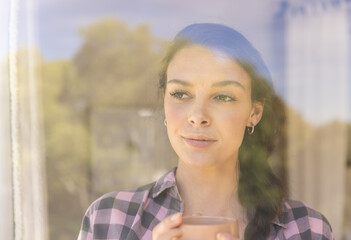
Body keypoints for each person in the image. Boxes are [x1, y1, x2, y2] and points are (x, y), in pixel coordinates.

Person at [77, 23, 333, 240]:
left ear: (254, 112)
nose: (198, 116)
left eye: (222, 97)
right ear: (164, 103)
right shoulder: (108, 220)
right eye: (180, 94)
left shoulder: (308, 229)